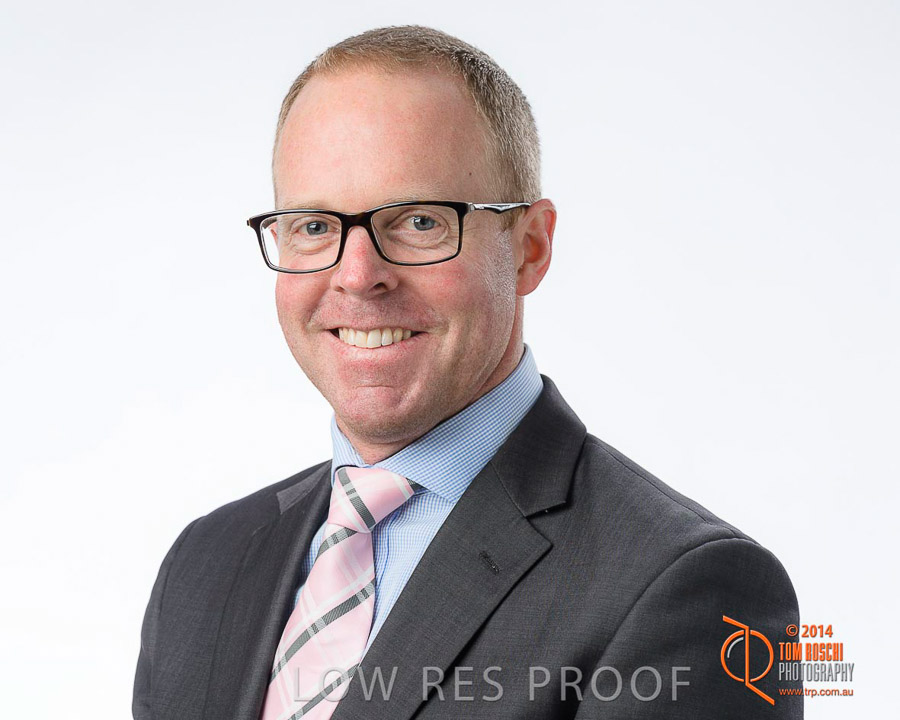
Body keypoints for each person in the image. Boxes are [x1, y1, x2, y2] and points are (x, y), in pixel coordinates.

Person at [134, 25, 802, 719]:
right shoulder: (205, 564)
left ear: (530, 247)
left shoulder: (690, 589)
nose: (357, 276)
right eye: (314, 226)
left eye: (420, 221)